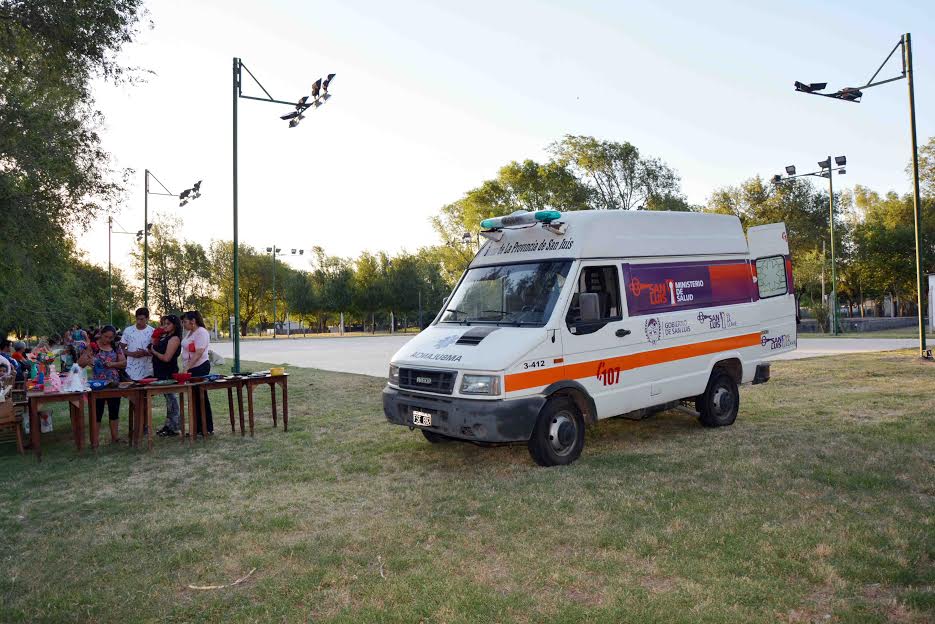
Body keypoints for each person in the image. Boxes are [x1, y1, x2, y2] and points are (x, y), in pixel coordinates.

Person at [78, 325, 126, 443]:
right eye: (105, 337)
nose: (108, 340)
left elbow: (124, 363)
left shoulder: (115, 346)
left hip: (113, 384)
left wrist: (112, 364)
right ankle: (95, 440)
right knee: (97, 412)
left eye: (110, 337)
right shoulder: (93, 346)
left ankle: (115, 438)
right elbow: (80, 363)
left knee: (114, 410)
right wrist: (88, 359)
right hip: (98, 385)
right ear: (100, 334)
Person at [181, 310, 212, 435]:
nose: (183, 324)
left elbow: (199, 352)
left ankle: (206, 428)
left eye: (185, 322)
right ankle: (196, 428)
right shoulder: (189, 333)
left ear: (193, 321)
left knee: (201, 397)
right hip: (190, 368)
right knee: (193, 398)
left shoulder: (202, 332)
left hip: (200, 367)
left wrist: (187, 367)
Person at [151, 314, 182, 436]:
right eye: (164, 323)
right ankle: (169, 425)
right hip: (160, 372)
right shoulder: (165, 336)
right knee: (168, 400)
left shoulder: (174, 338)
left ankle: (174, 427)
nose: (165, 326)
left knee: (171, 399)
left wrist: (154, 352)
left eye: (168, 324)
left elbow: (166, 357)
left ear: (175, 325)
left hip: (168, 372)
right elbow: (154, 343)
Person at [121, 307, 154, 382]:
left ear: (147, 318)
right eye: (137, 319)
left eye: (141, 319)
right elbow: (120, 349)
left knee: (146, 393)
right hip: (130, 370)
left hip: (147, 370)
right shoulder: (128, 331)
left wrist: (146, 353)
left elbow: (156, 351)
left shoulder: (152, 332)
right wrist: (132, 354)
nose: (138, 322)